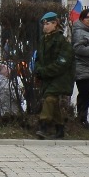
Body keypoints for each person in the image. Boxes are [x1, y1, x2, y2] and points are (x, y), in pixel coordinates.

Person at [33, 11, 75, 140]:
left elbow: (62, 63)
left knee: (50, 98)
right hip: (48, 76)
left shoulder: (63, 42)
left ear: (55, 24)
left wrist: (45, 71)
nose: (45, 26)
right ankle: (60, 128)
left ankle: (43, 126)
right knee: (53, 102)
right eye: (43, 24)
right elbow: (38, 59)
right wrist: (39, 70)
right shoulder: (43, 41)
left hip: (61, 77)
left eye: (47, 23)